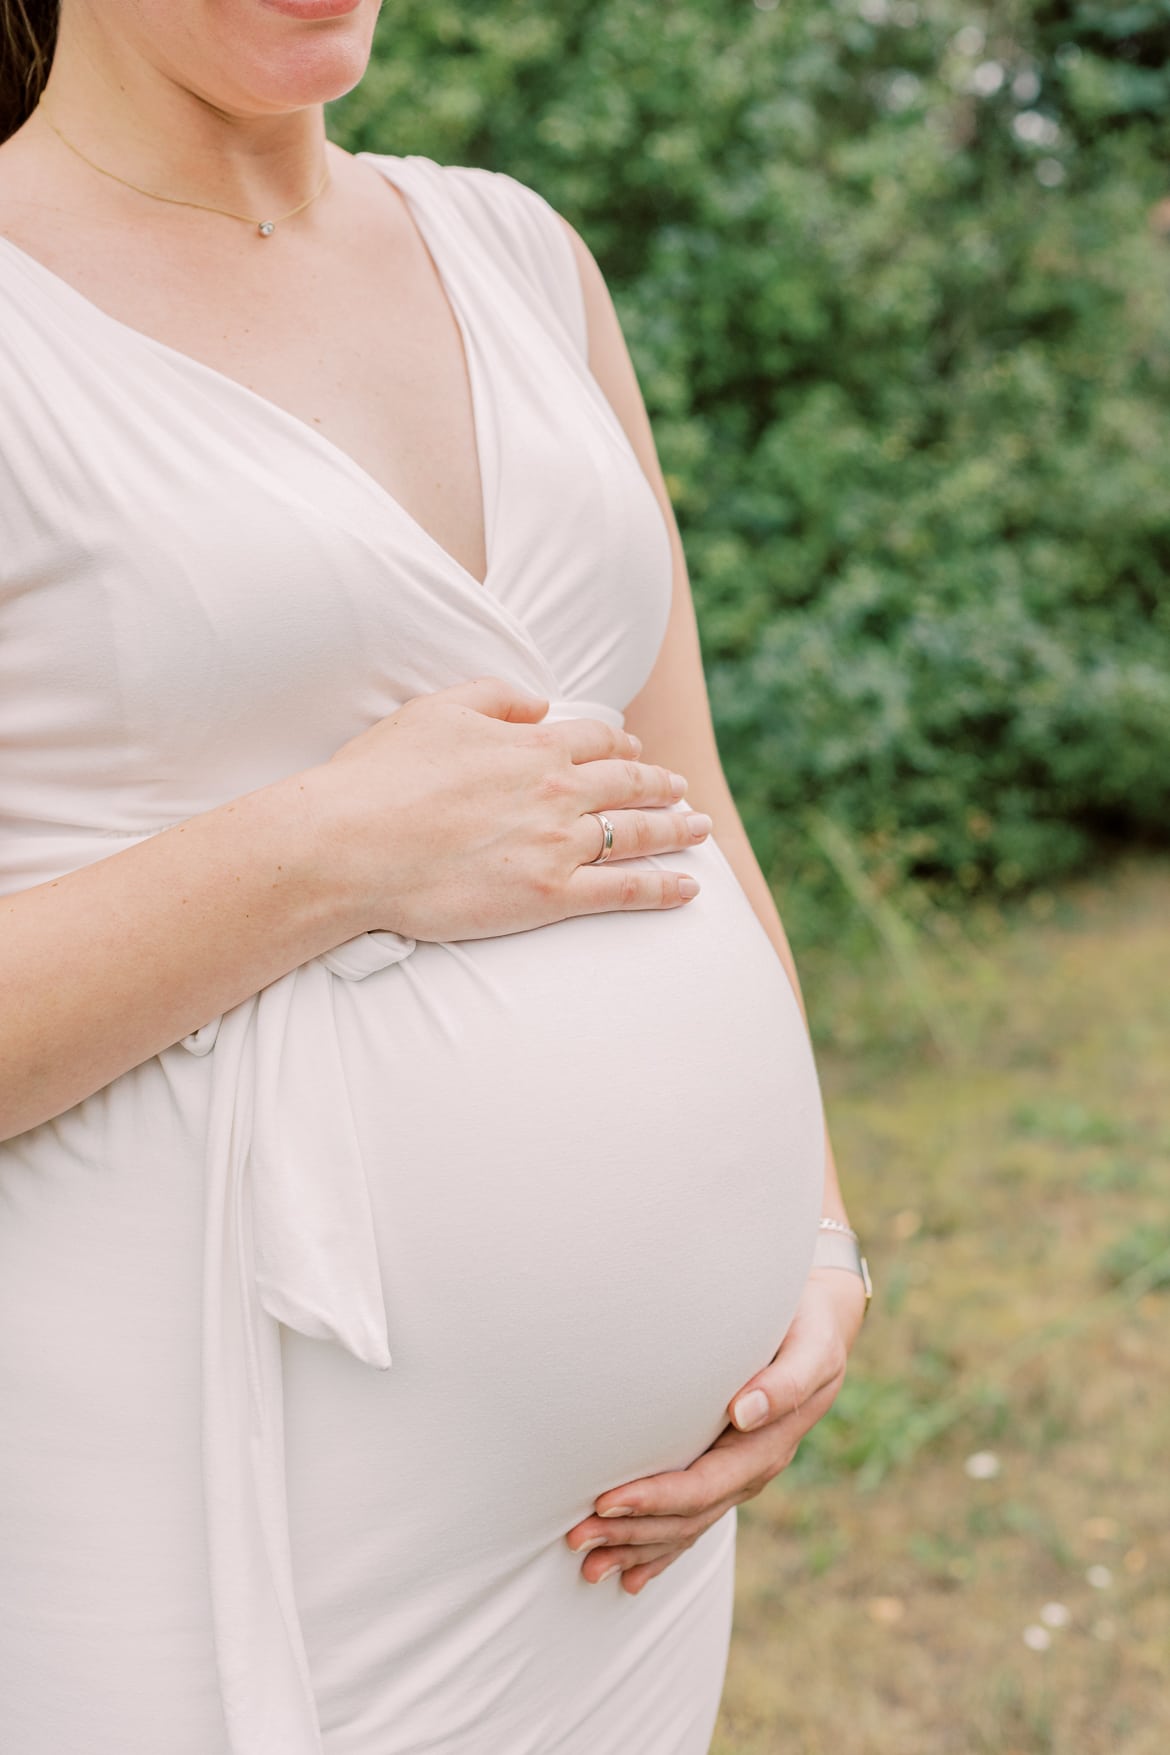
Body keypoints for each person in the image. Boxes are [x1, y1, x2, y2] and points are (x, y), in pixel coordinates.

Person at [0, 2, 871, 1751]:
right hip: (190, 1510)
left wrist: (813, 1237)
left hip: (617, 1560)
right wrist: (326, 851)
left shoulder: (519, 251)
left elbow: (681, 793)